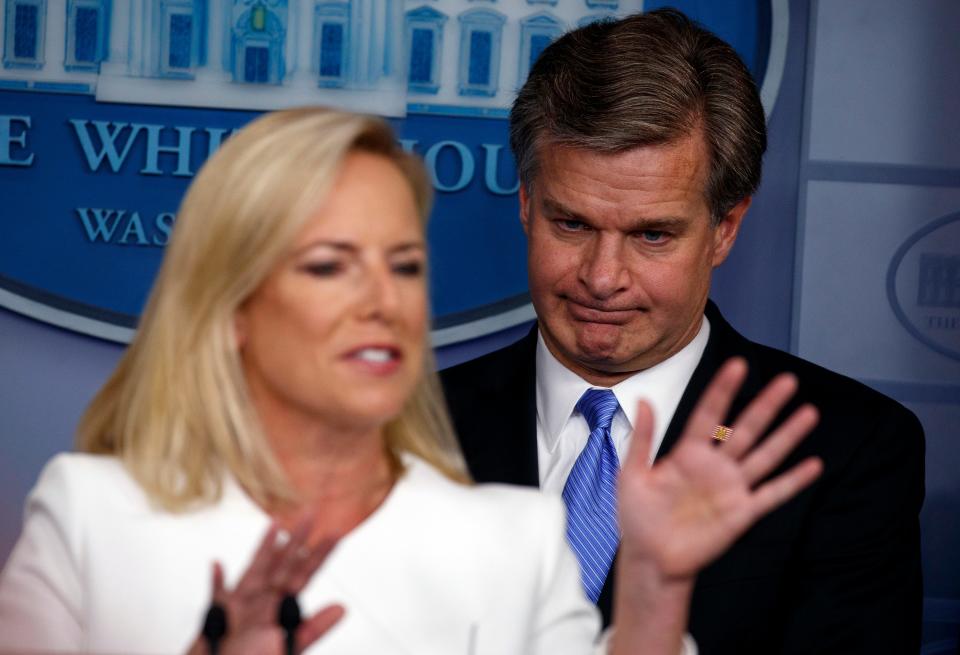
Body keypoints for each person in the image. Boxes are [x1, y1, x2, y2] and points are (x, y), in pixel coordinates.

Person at [0, 107, 821, 654]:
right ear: (229, 306)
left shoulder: (518, 537)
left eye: (404, 264)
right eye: (329, 265)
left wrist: (650, 593)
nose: (382, 301)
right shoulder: (89, 514)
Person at [441, 9, 925, 654]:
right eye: (573, 224)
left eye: (652, 234)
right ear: (528, 205)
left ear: (725, 228)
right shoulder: (401, 429)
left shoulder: (845, 448)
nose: (603, 278)